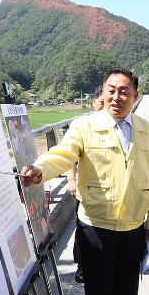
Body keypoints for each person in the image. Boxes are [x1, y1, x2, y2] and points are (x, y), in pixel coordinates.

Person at [20, 69, 149, 295]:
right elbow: (62, 155)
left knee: (127, 291)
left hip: (133, 226)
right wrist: (40, 171)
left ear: (135, 96)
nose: (117, 96)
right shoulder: (85, 127)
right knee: (99, 293)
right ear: (103, 92)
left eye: (124, 91)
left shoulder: (146, 131)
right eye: (111, 90)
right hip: (95, 226)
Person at [68, 87, 106, 283]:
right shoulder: (82, 125)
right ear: (93, 103)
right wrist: (71, 180)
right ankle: (82, 265)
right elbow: (69, 157)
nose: (103, 106)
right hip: (86, 189)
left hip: (106, 192)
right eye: (100, 102)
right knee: (83, 228)